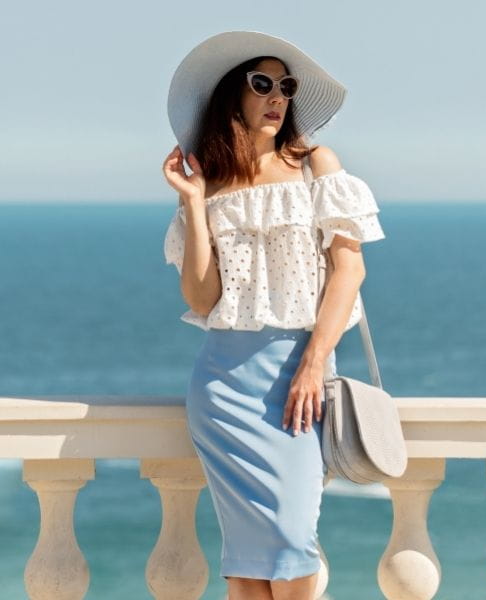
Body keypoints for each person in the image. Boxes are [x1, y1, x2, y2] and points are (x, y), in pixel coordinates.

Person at [160, 31, 386, 600]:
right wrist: (192, 202)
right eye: (263, 84)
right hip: (221, 389)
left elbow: (349, 273)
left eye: (286, 86)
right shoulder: (210, 180)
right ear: (232, 96)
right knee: (246, 563)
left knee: (291, 542)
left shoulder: (316, 166)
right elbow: (201, 299)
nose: (278, 96)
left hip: (297, 383)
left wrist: (312, 366)